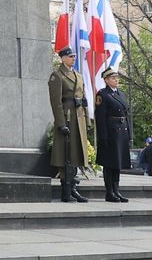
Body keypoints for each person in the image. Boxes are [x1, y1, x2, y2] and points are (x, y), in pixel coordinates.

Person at [48, 46, 89, 203]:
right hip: (67, 119)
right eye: (70, 56)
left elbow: (83, 100)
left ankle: (73, 188)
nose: (73, 58)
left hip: (78, 118)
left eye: (74, 56)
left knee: (76, 154)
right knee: (65, 155)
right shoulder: (57, 76)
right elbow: (56, 102)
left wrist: (87, 122)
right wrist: (60, 123)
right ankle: (66, 190)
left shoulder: (78, 75)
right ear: (63, 58)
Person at [94, 67, 131, 203]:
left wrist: (130, 134)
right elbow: (100, 117)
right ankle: (109, 192)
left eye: (117, 78)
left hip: (121, 132)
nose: (116, 80)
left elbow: (126, 115)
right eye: (113, 78)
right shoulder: (102, 94)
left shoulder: (121, 94)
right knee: (109, 164)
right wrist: (103, 136)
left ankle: (116, 190)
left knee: (118, 164)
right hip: (111, 132)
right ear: (106, 80)